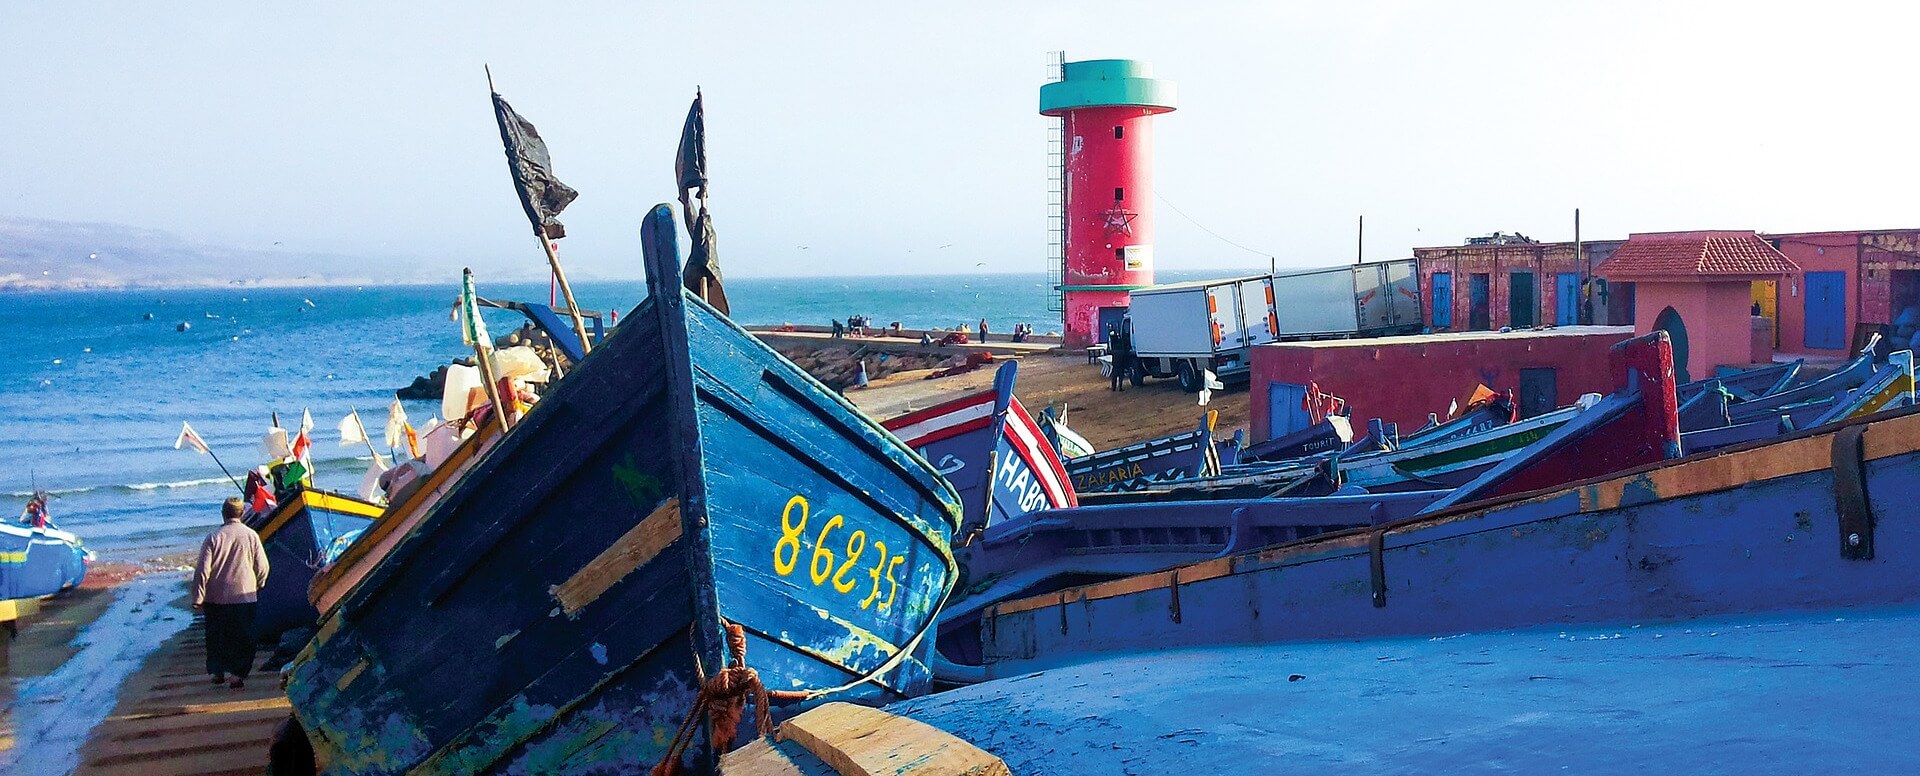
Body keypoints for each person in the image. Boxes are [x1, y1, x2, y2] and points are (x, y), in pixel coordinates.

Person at [193, 497, 270, 689]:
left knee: (217, 636)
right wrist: (258, 584)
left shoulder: (213, 537)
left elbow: (203, 570)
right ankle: (237, 675)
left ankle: (218, 671)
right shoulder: (251, 535)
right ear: (242, 513)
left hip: (216, 597)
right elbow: (263, 566)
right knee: (243, 637)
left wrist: (198, 597)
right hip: (244, 595)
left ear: (223, 513)